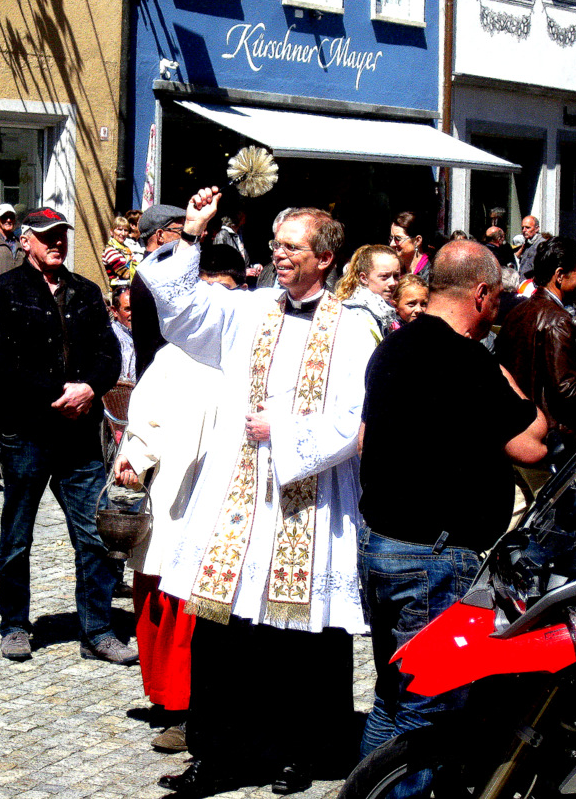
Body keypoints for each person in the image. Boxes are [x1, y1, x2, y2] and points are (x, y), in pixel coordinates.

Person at [139, 189, 373, 797]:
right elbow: (181, 311)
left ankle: (301, 752)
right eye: (276, 245)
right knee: (224, 630)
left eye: (292, 247)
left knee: (302, 637)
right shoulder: (249, 309)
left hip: (309, 499)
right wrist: (190, 236)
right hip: (239, 498)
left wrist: (289, 433)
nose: (280, 255)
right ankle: (218, 754)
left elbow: (356, 417)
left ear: (325, 258)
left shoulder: (353, 327)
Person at [359, 240, 547, 757]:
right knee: (430, 705)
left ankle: (369, 790)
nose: (500, 310)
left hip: (383, 544)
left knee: (393, 698)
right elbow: (532, 443)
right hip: (432, 558)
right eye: (499, 298)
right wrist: (508, 378)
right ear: (481, 294)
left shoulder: (393, 345)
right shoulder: (466, 360)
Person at [0, 207, 134, 666]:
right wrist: (59, 392)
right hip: (25, 428)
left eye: (61, 235)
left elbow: (109, 354)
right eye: (46, 236)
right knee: (18, 533)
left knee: (93, 532)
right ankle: (14, 625)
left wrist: (89, 388)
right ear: (25, 241)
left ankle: (98, 629)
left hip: (79, 431)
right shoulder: (3, 292)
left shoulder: (85, 291)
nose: (56, 243)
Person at [111, 247, 246, 756]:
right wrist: (133, 457)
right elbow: (146, 419)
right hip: (176, 500)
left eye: (226, 294)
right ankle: (175, 705)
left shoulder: (249, 352)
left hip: (233, 499)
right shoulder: (172, 356)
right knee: (166, 604)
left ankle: (206, 705)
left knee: (212, 607)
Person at [496, 237, 576, 461]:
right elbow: (564, 388)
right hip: (548, 438)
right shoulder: (558, 319)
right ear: (560, 275)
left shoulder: (518, 312)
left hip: (517, 434)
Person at [130, 204, 187, 379]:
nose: (187, 238)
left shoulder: (155, 271)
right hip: (160, 379)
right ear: (160, 235)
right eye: (181, 232)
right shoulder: (155, 276)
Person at [336, 244, 401, 340]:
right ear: (364, 278)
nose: (392, 283)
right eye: (384, 276)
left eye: (396, 276)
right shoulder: (356, 316)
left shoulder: (385, 312)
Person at [390, 210, 431, 278]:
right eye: (391, 238)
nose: (392, 244)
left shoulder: (430, 275)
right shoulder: (395, 272)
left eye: (398, 239)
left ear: (417, 241)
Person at [110, 285, 136, 383]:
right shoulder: (110, 338)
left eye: (136, 307)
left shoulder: (146, 335)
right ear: (115, 311)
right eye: (127, 309)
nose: (134, 313)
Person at [103, 215, 137, 284]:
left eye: (126, 230)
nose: (123, 233)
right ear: (112, 232)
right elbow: (125, 274)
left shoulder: (126, 249)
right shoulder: (110, 250)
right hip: (120, 290)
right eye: (120, 230)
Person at [517, 214, 542, 279]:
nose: (524, 230)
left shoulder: (542, 244)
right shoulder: (526, 243)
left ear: (537, 229)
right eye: (523, 228)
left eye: (528, 227)